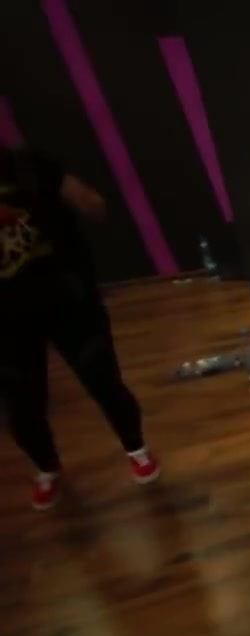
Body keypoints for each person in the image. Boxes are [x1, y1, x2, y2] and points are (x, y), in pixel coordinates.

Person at [0, 147, 159, 510]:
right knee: (21, 404)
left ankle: (137, 450)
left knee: (103, 379)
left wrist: (85, 203)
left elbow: (92, 205)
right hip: (7, 318)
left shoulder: (28, 164)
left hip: (67, 299)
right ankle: (47, 469)